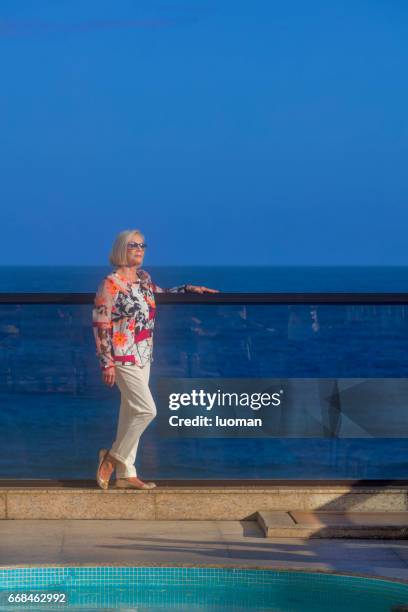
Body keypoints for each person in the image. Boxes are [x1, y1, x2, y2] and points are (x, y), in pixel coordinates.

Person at [93, 228, 219, 490]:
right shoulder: (110, 284)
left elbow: (160, 293)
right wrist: (107, 362)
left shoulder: (144, 279)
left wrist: (188, 289)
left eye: (142, 245)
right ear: (121, 249)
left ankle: (127, 474)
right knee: (147, 410)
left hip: (144, 355)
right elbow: (101, 324)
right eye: (133, 245)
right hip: (122, 355)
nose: (139, 249)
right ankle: (112, 459)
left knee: (130, 414)